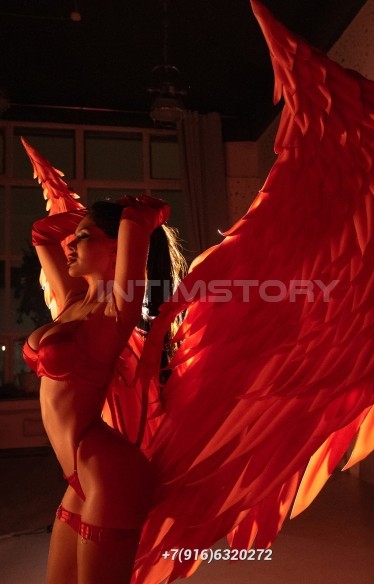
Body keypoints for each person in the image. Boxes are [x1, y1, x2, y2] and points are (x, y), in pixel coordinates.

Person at [22, 196, 184, 584]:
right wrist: (93, 218)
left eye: (85, 237)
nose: (71, 244)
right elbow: (42, 233)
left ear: (117, 248)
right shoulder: (73, 301)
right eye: (76, 236)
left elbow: (138, 220)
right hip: (80, 474)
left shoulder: (116, 311)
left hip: (109, 473)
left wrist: (133, 217)